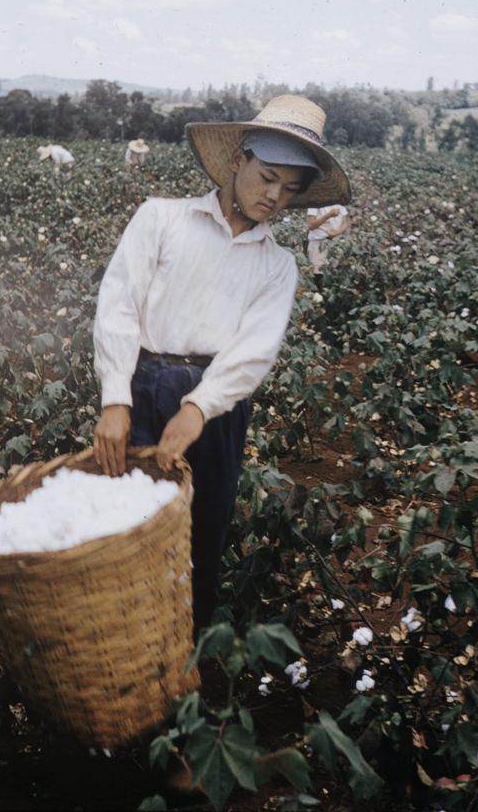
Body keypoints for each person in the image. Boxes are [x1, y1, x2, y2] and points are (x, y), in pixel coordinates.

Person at [92, 94, 351, 637]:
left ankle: (183, 662)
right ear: (238, 160)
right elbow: (119, 304)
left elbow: (253, 350)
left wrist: (199, 409)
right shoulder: (161, 218)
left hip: (215, 407)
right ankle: (119, 654)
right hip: (144, 382)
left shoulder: (277, 266)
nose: (274, 196)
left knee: (201, 533)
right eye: (267, 177)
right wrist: (116, 397)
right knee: (126, 521)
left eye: (290, 189)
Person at [307, 204, 349, 289]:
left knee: (332, 273)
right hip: (318, 243)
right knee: (316, 274)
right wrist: (328, 215)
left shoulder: (339, 203)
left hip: (334, 243)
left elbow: (344, 223)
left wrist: (337, 233)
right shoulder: (315, 202)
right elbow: (311, 225)